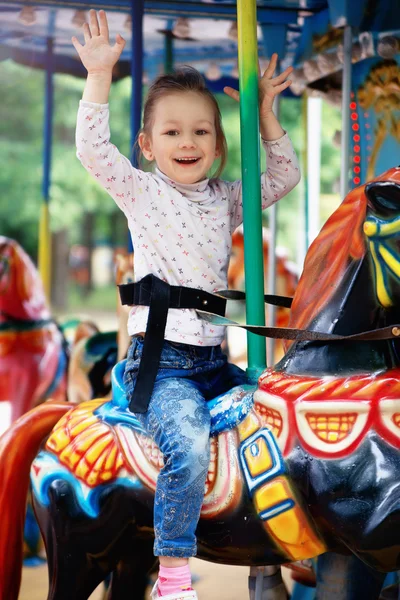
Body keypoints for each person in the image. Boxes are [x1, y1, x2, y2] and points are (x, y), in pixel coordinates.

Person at [73, 10, 300, 599]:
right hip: (162, 362)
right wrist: (100, 76)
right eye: (172, 132)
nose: (188, 142)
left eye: (201, 131)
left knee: (280, 415)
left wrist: (269, 118)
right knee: (190, 444)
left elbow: (286, 172)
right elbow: (93, 150)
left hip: (212, 359)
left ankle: (268, 557)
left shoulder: (227, 199)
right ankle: (172, 576)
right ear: (147, 145)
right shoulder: (142, 193)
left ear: (219, 143)